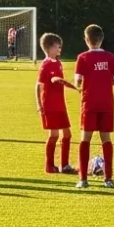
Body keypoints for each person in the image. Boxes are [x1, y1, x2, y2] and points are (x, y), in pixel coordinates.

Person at [71, 26, 114, 189]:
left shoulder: (82, 58)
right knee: (106, 139)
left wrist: (80, 87)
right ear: (102, 38)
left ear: (86, 39)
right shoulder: (110, 57)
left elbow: (77, 81)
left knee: (86, 139)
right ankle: (108, 179)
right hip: (107, 102)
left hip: (89, 103)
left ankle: (83, 179)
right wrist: (106, 83)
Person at [36, 32, 74, 175]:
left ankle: (64, 165)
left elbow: (60, 82)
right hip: (49, 105)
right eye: (58, 46)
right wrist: (39, 104)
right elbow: (38, 86)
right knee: (54, 135)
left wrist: (75, 86)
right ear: (49, 47)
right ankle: (49, 165)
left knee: (67, 134)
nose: (60, 49)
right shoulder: (45, 65)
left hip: (60, 104)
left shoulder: (58, 63)